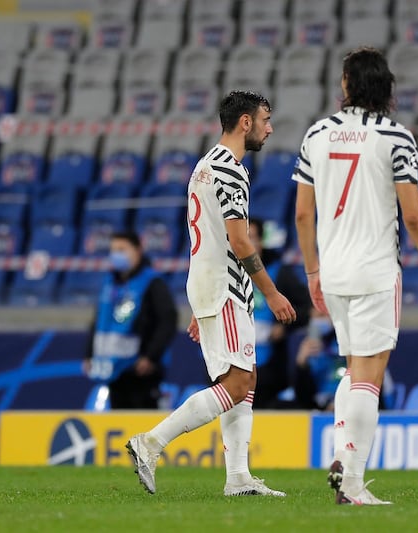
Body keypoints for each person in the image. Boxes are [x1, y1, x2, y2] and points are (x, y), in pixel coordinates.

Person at [294, 47, 418, 505]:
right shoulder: (395, 137)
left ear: (346, 85)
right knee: (369, 376)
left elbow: (304, 214)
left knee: (352, 370)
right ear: (386, 87)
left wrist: (312, 271)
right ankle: (352, 481)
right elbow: (416, 216)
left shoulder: (317, 134)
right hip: (377, 269)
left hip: (335, 270)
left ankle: (343, 456)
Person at [126, 91, 297, 497]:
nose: (269, 128)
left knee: (245, 379)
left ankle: (237, 477)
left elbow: (205, 240)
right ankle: (150, 443)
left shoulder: (204, 166)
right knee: (237, 384)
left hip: (208, 284)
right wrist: (271, 293)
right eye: (265, 119)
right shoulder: (232, 171)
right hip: (225, 288)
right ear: (244, 122)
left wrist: (198, 303)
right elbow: (239, 241)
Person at [83, 231, 178, 409]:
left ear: (138, 250)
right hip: (113, 367)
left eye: (122, 249)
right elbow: (98, 321)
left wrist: (151, 357)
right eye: (113, 250)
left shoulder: (153, 282)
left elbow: (167, 321)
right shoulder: (110, 282)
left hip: (141, 370)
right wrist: (89, 354)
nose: (116, 255)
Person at [247, 218, 312, 408]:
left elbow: (306, 307)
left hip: (268, 368)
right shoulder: (224, 273)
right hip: (231, 365)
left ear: (261, 242)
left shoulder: (280, 272)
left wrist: (283, 326)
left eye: (252, 238)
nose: (246, 244)